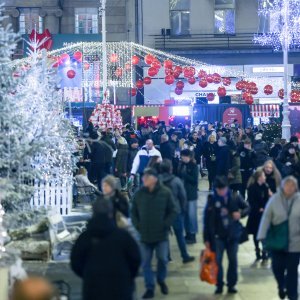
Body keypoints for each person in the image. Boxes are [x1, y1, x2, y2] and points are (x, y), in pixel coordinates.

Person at [71, 199, 141, 300]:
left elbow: (76, 262)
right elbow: (135, 259)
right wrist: (127, 275)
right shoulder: (123, 237)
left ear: (93, 213)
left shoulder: (85, 238)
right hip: (121, 288)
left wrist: (88, 274)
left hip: (93, 288)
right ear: (111, 213)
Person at [131, 168, 177, 299]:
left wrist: (165, 224)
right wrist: (137, 225)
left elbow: (173, 210)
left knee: (162, 259)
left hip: (161, 234)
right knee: (145, 263)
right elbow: (133, 211)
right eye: (143, 177)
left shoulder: (165, 193)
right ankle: (149, 287)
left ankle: (161, 279)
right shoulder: (139, 194)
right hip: (144, 234)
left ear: (154, 179)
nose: (143, 179)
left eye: (146, 177)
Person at [203, 176, 249, 295]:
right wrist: (206, 239)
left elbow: (247, 207)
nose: (221, 192)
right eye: (218, 190)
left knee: (233, 261)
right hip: (218, 236)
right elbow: (207, 221)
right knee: (217, 261)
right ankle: (219, 285)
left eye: (223, 189)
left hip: (232, 235)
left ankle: (231, 284)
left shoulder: (235, 197)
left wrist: (241, 213)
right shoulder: (212, 200)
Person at [257, 176, 300, 300]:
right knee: (277, 267)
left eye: (293, 185)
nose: (290, 188)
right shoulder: (275, 199)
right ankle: (281, 285)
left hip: (295, 243)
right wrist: (261, 236)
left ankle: (293, 295)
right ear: (282, 186)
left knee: (292, 271)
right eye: (287, 185)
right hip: (278, 241)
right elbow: (266, 218)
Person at [159, 159, 195, 264]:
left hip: (162, 212)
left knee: (164, 236)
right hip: (175, 211)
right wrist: (182, 209)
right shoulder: (176, 181)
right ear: (171, 169)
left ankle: (167, 256)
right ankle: (184, 256)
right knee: (179, 235)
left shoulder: (157, 181)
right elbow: (183, 197)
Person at [246, 169, 270, 267]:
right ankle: (257, 252)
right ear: (259, 177)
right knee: (256, 235)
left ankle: (264, 253)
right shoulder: (252, 188)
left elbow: (267, 200)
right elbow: (251, 201)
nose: (265, 177)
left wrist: (265, 208)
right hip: (255, 215)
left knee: (264, 235)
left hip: (263, 215)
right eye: (263, 176)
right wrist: (258, 208)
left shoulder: (265, 187)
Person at [178, 149, 199, 244]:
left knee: (191, 216)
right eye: (182, 156)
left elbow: (195, 180)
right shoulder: (181, 165)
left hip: (191, 195)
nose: (183, 158)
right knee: (185, 216)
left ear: (189, 157)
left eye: (184, 156)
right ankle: (187, 234)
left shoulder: (194, 166)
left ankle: (193, 235)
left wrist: (185, 175)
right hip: (182, 194)